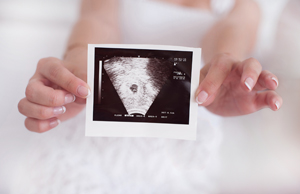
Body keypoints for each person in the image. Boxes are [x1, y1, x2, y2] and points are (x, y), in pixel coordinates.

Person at [17, 0, 282, 133]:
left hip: (187, 143)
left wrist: (226, 58)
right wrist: (77, 64)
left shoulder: (245, 6)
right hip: (96, 121)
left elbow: (234, 27)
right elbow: (98, 20)